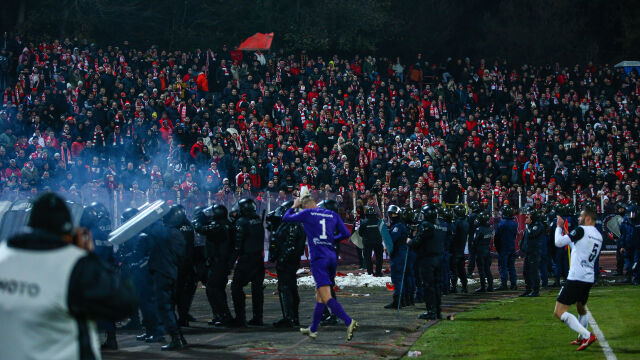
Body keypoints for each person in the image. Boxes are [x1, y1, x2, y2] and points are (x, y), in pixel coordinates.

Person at [0, 193, 137, 360]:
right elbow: (123, 302)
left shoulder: (3, 256)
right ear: (67, 227)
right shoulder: (74, 264)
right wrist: (86, 255)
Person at [282, 194, 357, 342]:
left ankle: (349, 322)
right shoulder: (332, 214)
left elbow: (286, 218)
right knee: (320, 295)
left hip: (319, 259)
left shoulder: (307, 213)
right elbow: (346, 233)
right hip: (331, 257)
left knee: (326, 296)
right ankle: (313, 329)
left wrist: (294, 206)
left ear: (305, 205)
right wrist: (331, 239)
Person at [553, 206, 603, 351]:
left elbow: (558, 242)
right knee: (581, 308)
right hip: (588, 277)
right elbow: (580, 247)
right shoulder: (599, 236)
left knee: (559, 311)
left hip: (576, 276)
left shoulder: (582, 230)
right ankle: (581, 338)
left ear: (588, 218)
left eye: (581, 217)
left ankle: (587, 335)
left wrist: (559, 227)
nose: (579, 219)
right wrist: (571, 238)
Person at [80, 201, 119, 349]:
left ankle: (88, 342)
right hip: (107, 276)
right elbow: (113, 257)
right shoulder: (103, 234)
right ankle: (111, 338)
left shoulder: (85, 235)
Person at [149, 205, 187, 351]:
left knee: (164, 307)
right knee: (169, 306)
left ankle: (176, 338)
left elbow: (149, 227)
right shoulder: (178, 234)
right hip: (172, 272)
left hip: (163, 273)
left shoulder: (163, 231)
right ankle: (180, 337)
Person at [267, 200, 306, 327]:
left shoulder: (292, 224)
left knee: (286, 289)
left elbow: (291, 246)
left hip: (288, 262)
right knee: (290, 288)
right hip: (290, 261)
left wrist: (282, 259)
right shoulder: (292, 224)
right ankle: (292, 317)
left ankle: (290, 317)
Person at [194, 204, 235, 326]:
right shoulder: (226, 224)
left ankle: (224, 316)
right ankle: (220, 315)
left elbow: (200, 229)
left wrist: (199, 219)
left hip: (219, 261)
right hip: (222, 261)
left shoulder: (219, 225)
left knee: (213, 288)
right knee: (217, 288)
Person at [230, 198, 265, 327]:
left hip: (246, 260)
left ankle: (240, 318)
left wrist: (230, 263)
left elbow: (237, 246)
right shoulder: (257, 220)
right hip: (258, 260)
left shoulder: (241, 222)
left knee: (236, 287)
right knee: (257, 290)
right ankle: (258, 317)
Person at [409, 203, 445, 320]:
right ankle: (437, 310)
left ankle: (431, 311)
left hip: (427, 260)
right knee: (436, 285)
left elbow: (417, 242)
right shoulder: (439, 225)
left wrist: (409, 241)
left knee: (428, 286)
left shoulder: (426, 225)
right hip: (439, 258)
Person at [173, 205, 197, 327]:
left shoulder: (175, 226)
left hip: (178, 263)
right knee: (185, 292)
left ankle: (179, 318)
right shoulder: (188, 224)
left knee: (176, 291)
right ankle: (184, 316)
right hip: (188, 262)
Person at [385, 204, 409, 308]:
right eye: (390, 214)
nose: (392, 216)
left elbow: (392, 240)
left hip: (399, 254)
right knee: (398, 278)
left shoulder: (398, 226)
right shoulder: (397, 225)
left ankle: (398, 300)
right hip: (398, 253)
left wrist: (386, 233)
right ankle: (402, 299)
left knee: (397, 278)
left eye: (394, 214)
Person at [520, 208, 544, 297]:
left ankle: (535, 290)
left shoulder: (538, 225)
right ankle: (528, 289)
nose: (527, 216)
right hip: (528, 251)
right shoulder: (530, 226)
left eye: (529, 215)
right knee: (526, 271)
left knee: (533, 271)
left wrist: (527, 226)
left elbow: (532, 234)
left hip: (534, 251)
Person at [495, 205, 518, 290]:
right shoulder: (514, 223)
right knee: (511, 266)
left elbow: (497, 237)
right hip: (512, 246)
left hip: (503, 248)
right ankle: (513, 284)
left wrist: (498, 247)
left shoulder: (502, 223)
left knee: (503, 266)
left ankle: (504, 284)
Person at [360, 206, 384, 276]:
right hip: (378, 242)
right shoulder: (379, 221)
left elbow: (360, 233)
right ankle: (378, 272)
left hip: (367, 243)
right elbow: (383, 231)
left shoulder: (364, 222)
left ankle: (370, 272)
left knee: (368, 258)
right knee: (379, 258)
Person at [473, 211, 494, 293]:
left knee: (481, 270)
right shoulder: (489, 228)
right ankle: (491, 286)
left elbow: (475, 241)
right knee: (487, 269)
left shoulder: (479, 229)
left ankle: (483, 287)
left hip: (480, 251)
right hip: (487, 250)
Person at [450, 205, 469, 293]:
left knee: (454, 269)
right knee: (461, 269)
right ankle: (464, 286)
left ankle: (454, 287)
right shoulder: (466, 222)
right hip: (461, 248)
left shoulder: (457, 223)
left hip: (456, 249)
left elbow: (453, 235)